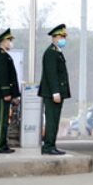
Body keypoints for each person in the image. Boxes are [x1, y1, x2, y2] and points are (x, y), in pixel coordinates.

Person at [39, 24, 71, 156]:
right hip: (53, 93)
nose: (63, 39)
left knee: (55, 120)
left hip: (56, 92)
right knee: (52, 120)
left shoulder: (57, 52)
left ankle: (51, 145)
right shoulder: (51, 52)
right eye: (61, 36)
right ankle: (48, 146)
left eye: (64, 36)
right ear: (54, 38)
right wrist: (55, 92)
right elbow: (51, 74)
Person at [0, 28, 19, 154]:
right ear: (3, 41)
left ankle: (3, 144)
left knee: (5, 120)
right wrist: (6, 93)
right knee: (1, 120)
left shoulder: (5, 55)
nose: (10, 43)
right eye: (9, 40)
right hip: (2, 94)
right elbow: (3, 76)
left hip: (4, 94)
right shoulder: (1, 55)